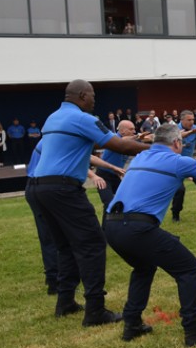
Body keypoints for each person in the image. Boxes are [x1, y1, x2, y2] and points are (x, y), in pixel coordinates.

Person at [104, 123, 196, 346]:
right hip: (136, 227)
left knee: (143, 268)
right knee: (189, 269)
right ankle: (194, 331)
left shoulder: (140, 158)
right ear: (176, 143)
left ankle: (132, 324)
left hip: (111, 225)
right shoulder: (176, 161)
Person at [28, 79, 149, 326]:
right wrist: (155, 147)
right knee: (92, 243)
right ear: (83, 95)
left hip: (39, 186)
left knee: (65, 246)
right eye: (93, 95)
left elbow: (86, 143)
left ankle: (65, 302)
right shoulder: (83, 119)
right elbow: (119, 145)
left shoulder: (53, 117)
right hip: (63, 189)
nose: (95, 100)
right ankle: (95, 310)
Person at [26, 139, 121, 295]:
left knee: (57, 238)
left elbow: (85, 156)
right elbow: (76, 157)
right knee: (56, 238)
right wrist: (93, 176)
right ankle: (56, 282)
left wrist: (111, 167)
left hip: (38, 187)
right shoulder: (55, 140)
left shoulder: (56, 137)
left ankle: (58, 283)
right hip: (46, 187)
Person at [95, 120, 138, 211]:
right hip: (103, 176)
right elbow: (121, 141)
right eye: (131, 129)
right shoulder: (114, 139)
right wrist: (137, 137)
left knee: (127, 199)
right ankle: (106, 225)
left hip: (115, 176)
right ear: (122, 131)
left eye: (134, 129)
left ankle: (123, 223)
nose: (134, 132)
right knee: (109, 203)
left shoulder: (129, 141)